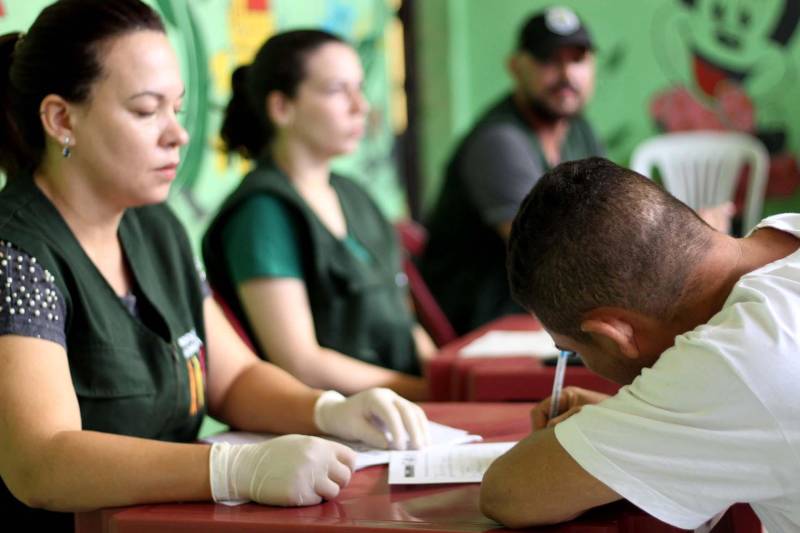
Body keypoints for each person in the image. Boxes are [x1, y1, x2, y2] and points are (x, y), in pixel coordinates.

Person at [0, 2, 430, 531]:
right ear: (61, 120)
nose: (176, 134)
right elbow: (42, 462)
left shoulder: (156, 226)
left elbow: (234, 378)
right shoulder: (15, 251)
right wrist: (235, 469)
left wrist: (329, 410)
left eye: (177, 109)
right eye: (146, 111)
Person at [480, 157, 800, 531]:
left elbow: (508, 493)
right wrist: (639, 416)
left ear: (614, 334)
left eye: (574, 351)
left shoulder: (737, 360)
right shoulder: (786, 233)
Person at [202, 30, 434, 401]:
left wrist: (447, 377)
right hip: (336, 420)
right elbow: (301, 363)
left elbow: (404, 321)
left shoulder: (353, 194)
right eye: (337, 90)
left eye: (359, 88)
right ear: (282, 108)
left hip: (410, 405)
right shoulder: (263, 213)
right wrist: (429, 392)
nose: (360, 106)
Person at [419, 6, 604, 334]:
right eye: (548, 60)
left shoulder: (578, 130)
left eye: (577, 60)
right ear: (515, 67)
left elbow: (606, 220)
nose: (566, 75)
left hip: (538, 309)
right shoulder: (498, 141)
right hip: (484, 321)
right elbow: (549, 255)